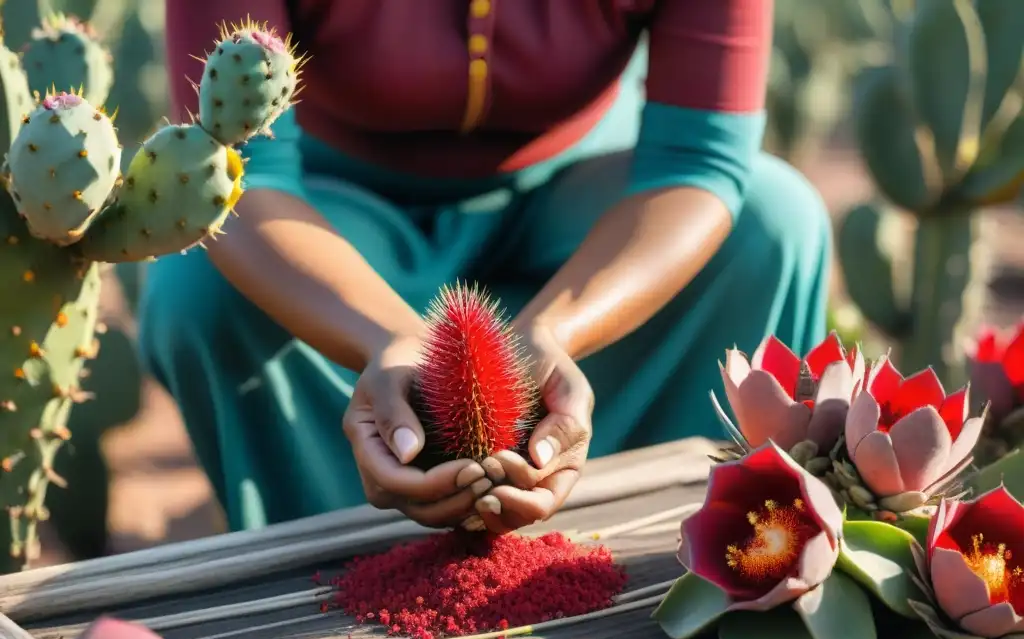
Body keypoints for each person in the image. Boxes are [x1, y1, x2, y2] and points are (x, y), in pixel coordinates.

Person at [143, 0, 831, 535]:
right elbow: (236, 173)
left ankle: (655, 550)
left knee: (775, 226)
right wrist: (390, 342)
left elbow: (699, 160)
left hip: (583, 184)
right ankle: (329, 572)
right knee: (196, 285)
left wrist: (556, 332)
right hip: (322, 202)